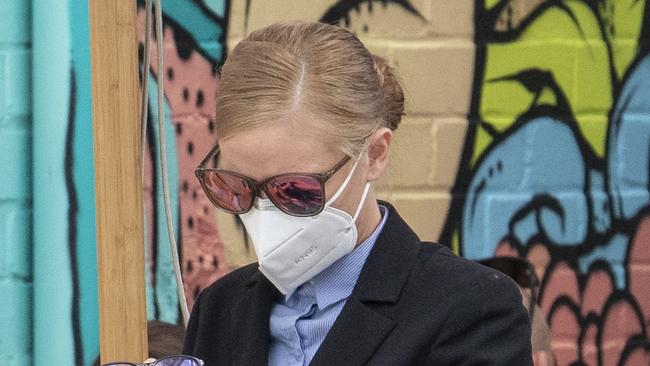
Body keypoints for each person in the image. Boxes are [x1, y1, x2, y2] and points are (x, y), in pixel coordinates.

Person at [185, 21, 532, 365]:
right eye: (237, 187)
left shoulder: (470, 307)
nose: (265, 212)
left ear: (375, 154)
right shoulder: (220, 309)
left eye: (296, 189)